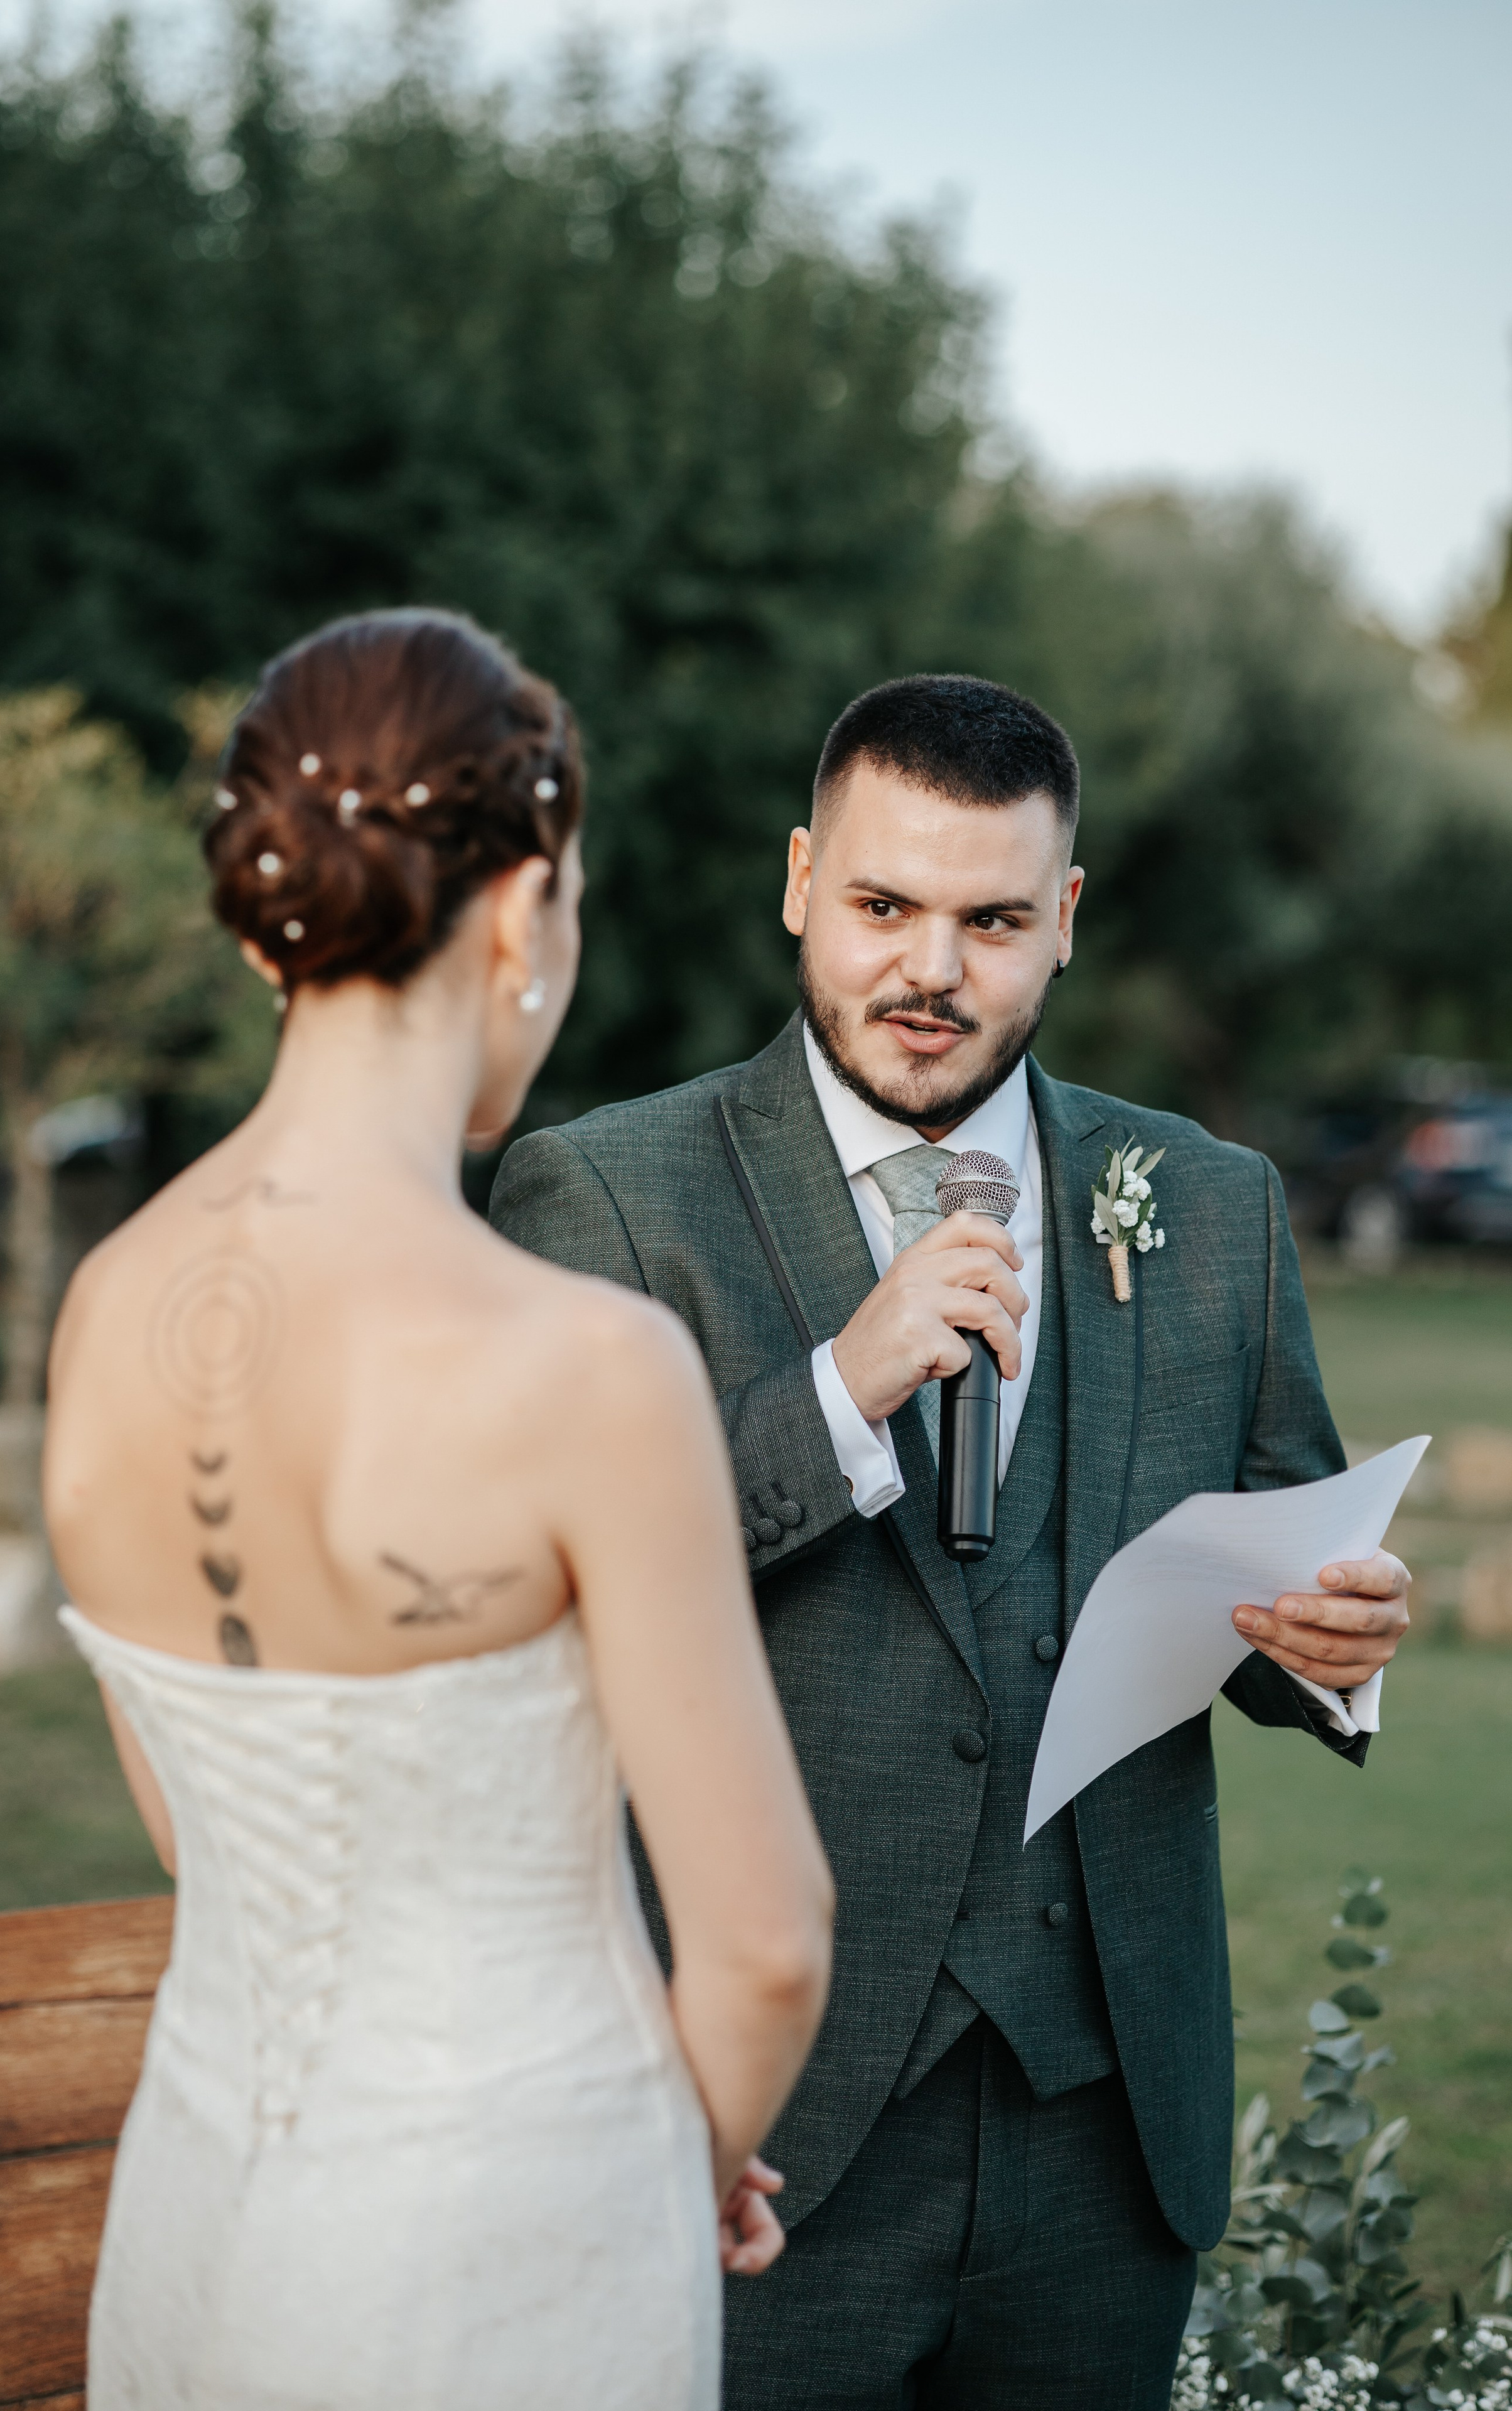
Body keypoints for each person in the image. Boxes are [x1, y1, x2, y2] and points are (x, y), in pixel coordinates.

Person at [490, 672, 1413, 2411]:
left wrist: (1332, 1655)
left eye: (992, 920)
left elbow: (1280, 1550)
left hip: (1103, 2121)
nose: (931, 970)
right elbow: (542, 1590)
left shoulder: (1209, 1205)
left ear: (1064, 920)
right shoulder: (608, 1194)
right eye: (882, 906)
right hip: (764, 2121)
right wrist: (839, 1391)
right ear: (797, 884)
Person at [42, 608, 833, 2411]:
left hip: (201, 2216)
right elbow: (768, 1946)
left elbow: (197, 1831)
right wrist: (677, 2161)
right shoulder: (583, 1367)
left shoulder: (103, 1317)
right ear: (515, 906)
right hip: (508, 2252)